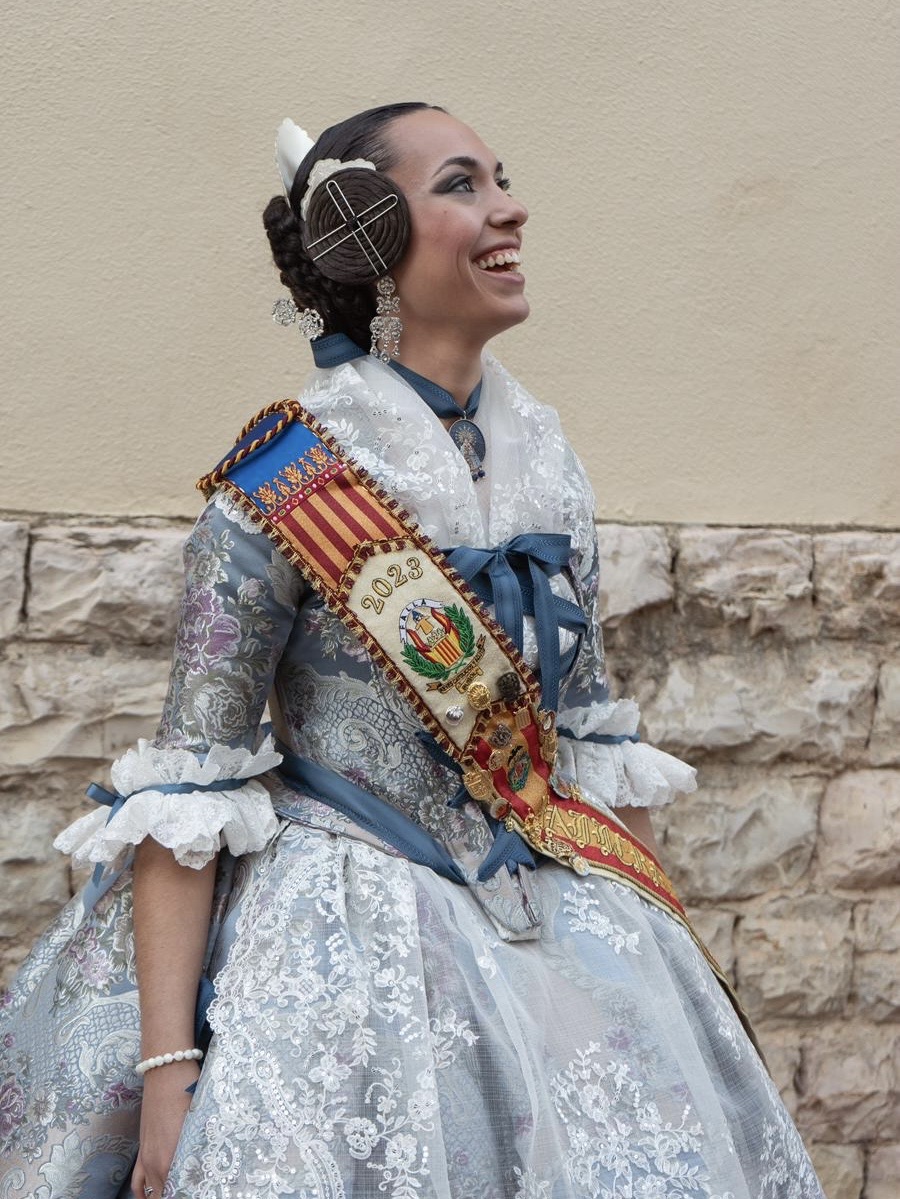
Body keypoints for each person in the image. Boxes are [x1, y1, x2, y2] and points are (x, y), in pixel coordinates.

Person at [0, 103, 824, 1199]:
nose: (510, 208)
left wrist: (672, 975)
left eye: (502, 178)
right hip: (343, 944)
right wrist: (167, 1075)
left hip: (557, 919)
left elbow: (588, 751)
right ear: (368, 233)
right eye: (464, 184)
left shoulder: (548, 461)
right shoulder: (289, 474)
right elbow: (191, 788)